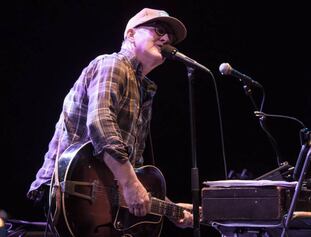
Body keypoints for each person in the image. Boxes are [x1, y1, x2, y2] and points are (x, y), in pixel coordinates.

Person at [27, 7, 194, 235]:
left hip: (96, 200)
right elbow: (100, 123)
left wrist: (169, 208)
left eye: (170, 37)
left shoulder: (144, 90)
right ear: (131, 34)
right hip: (71, 189)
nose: (166, 39)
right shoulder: (112, 64)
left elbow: (132, 170)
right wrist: (130, 184)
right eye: (159, 30)